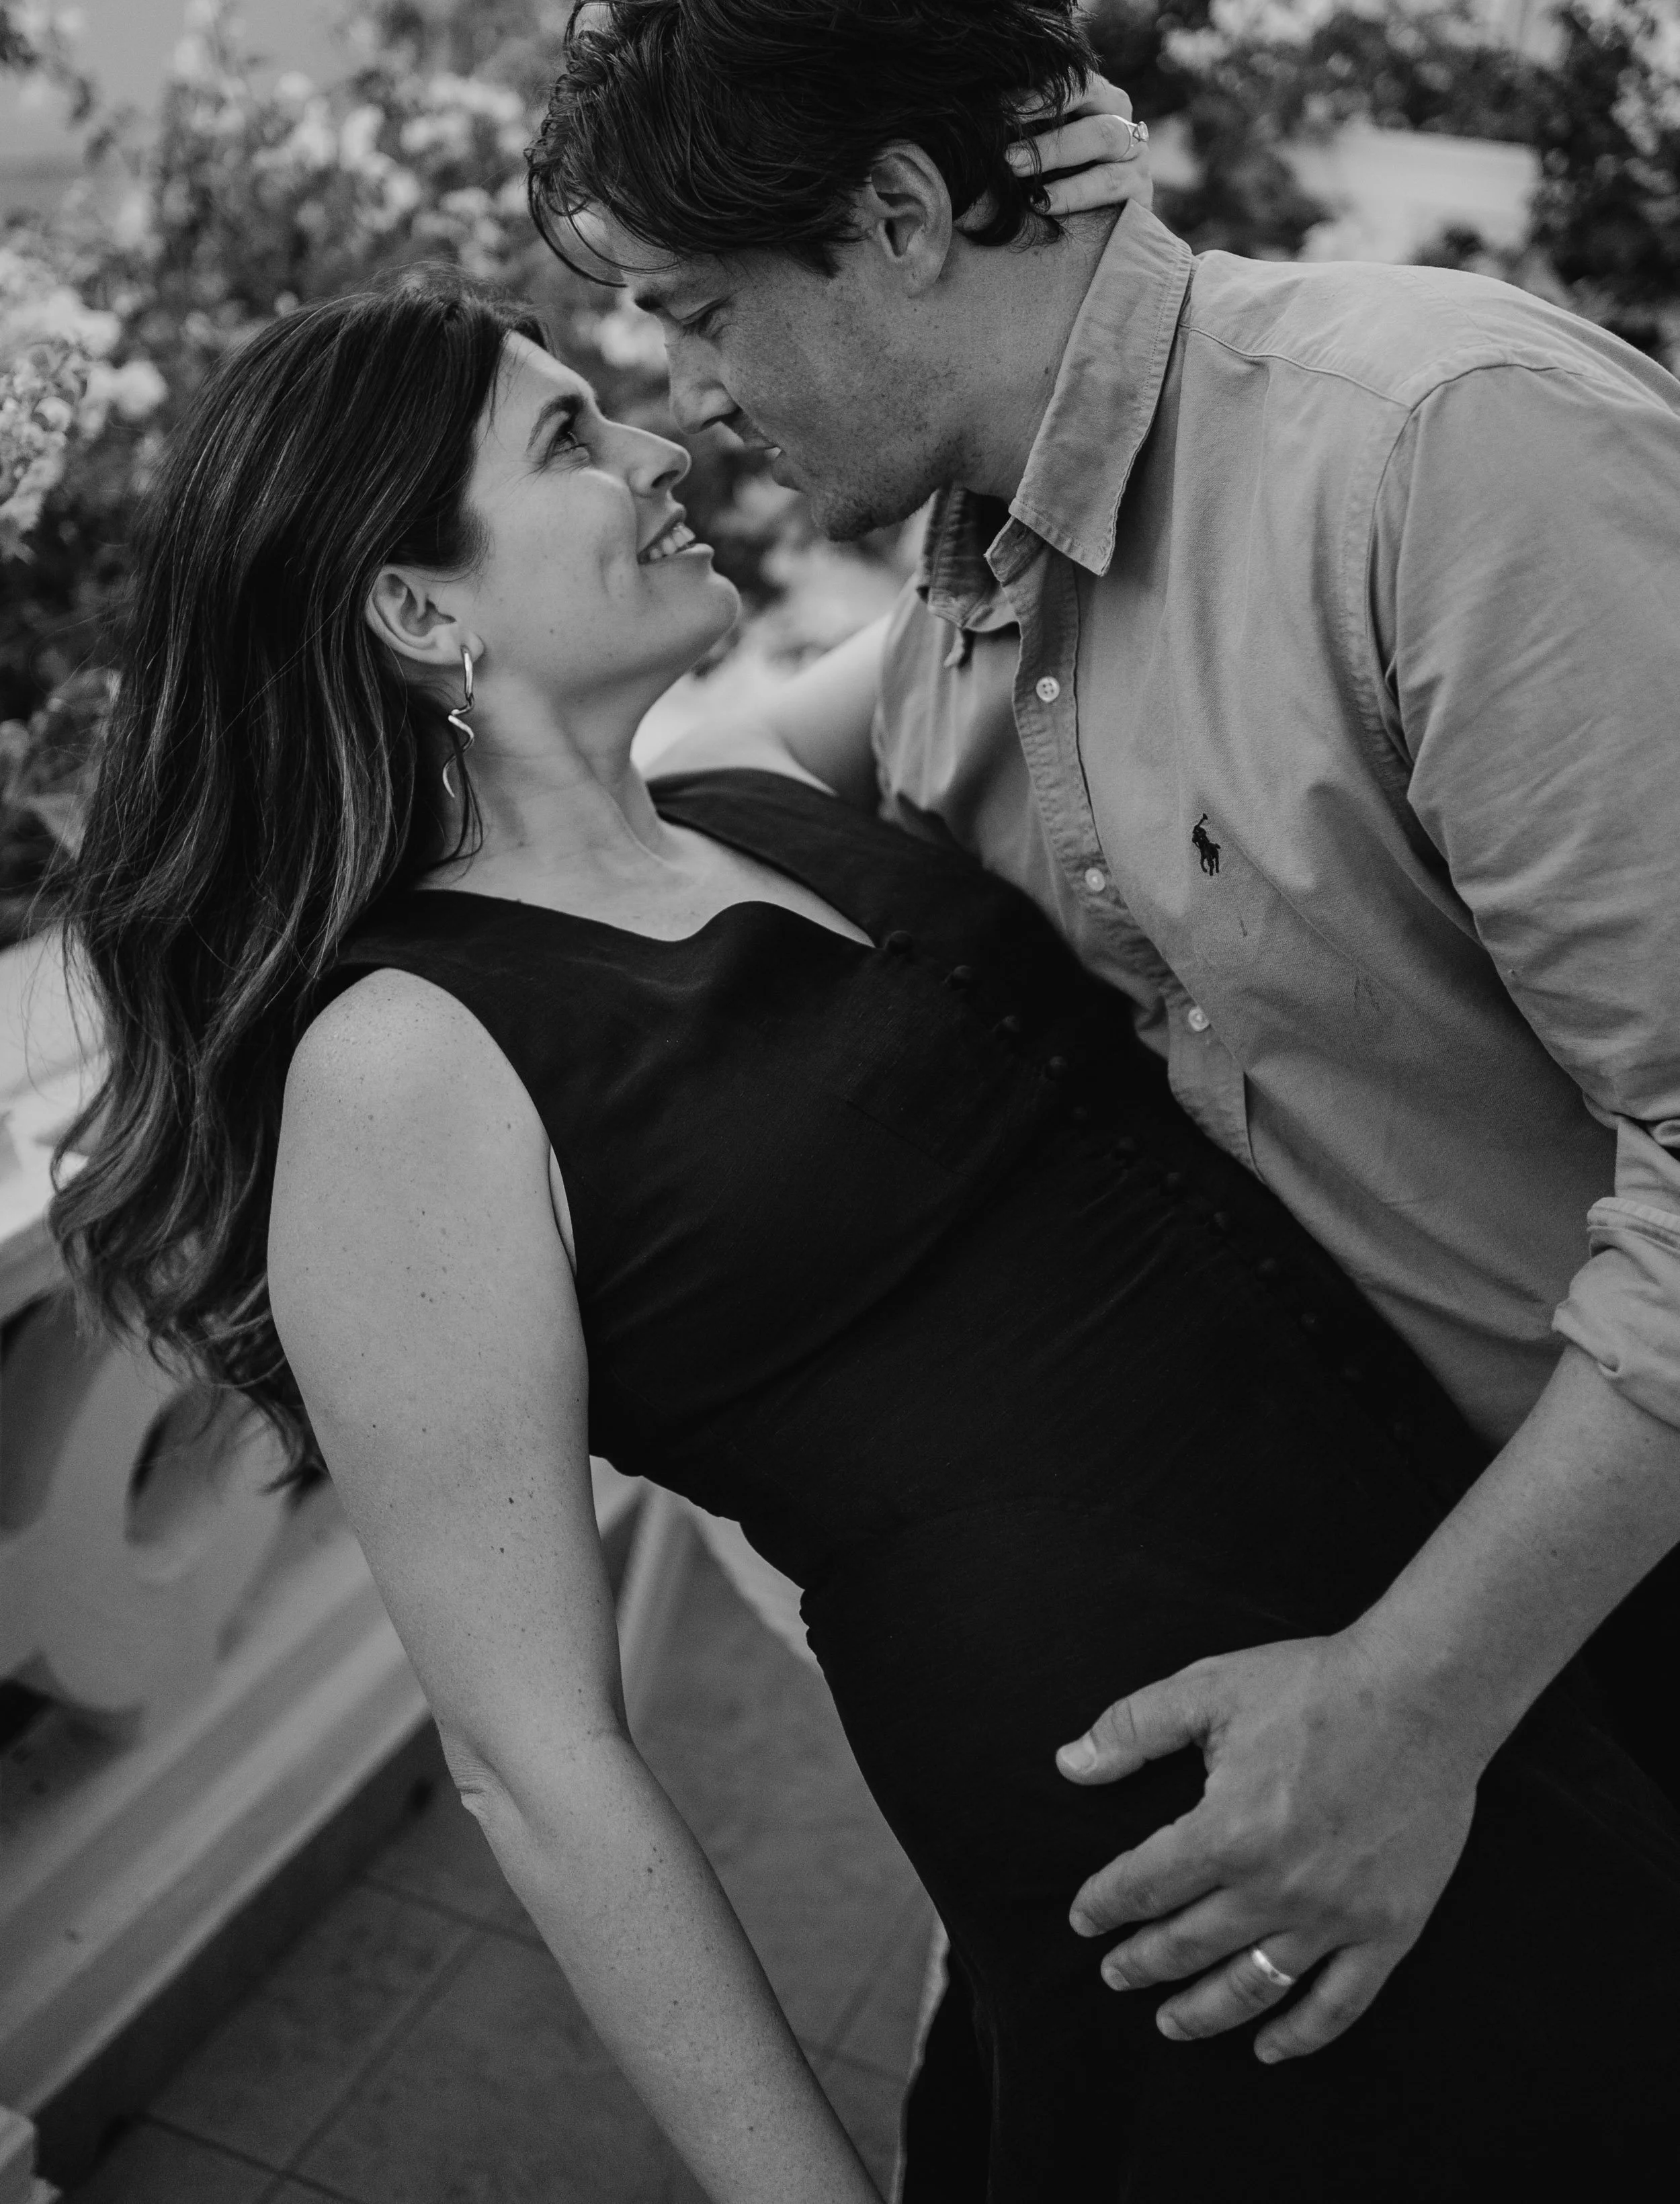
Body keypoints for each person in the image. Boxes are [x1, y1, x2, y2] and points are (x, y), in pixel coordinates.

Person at [46, 249, 1680, 2199]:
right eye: (568, 433)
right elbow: (534, 1756)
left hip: (1457, 1647)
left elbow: (1073, 503)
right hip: (1189, 1839)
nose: (657, 441)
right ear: (414, 606)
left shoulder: (755, 799)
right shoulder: (402, 1067)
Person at [529, 0, 1680, 2185]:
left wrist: (1403, 1710)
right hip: (1303, 1677)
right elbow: (667, 794)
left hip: (1596, 1645)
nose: (689, 393)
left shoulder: (1439, 457)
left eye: (693, 310)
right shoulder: (971, 574)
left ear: (895, 215)